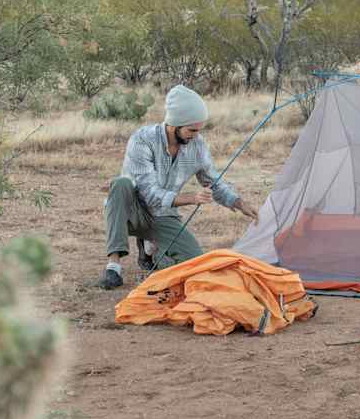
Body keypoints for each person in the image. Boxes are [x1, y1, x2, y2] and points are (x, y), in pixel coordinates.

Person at [99, 84, 259, 289]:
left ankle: (150, 250)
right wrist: (190, 198)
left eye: (199, 129)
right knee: (120, 184)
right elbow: (149, 194)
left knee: (193, 263)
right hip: (132, 213)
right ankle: (114, 267)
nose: (196, 135)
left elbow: (213, 181)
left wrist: (237, 202)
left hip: (164, 215)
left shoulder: (197, 145)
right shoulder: (142, 139)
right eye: (192, 129)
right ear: (174, 124)